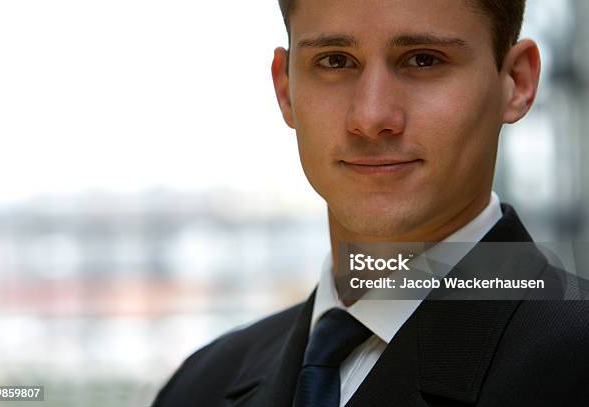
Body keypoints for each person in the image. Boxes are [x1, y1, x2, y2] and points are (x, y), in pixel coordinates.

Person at [153, 0, 589, 406]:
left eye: (424, 59)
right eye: (335, 61)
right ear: (286, 89)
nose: (371, 117)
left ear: (517, 82)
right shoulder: (200, 385)